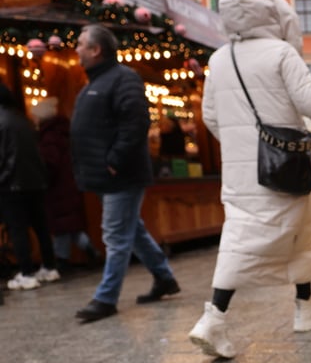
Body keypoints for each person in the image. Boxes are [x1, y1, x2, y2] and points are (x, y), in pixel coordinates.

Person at [190, 0, 311, 359]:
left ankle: (306, 307)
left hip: (241, 172)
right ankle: (213, 318)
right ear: (271, 14)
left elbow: (210, 116)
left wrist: (241, 144)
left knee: (296, 232)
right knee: (244, 243)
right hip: (282, 165)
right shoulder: (280, 52)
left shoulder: (220, 58)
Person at [70, 24, 180, 323]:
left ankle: (106, 298)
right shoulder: (95, 82)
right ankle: (164, 278)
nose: (76, 49)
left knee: (116, 235)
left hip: (121, 174)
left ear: (96, 50)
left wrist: (115, 160)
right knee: (133, 230)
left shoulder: (123, 78)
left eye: (81, 44)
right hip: (105, 175)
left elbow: (135, 123)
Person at [0, 83, 60, 291]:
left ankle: (26, 273)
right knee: (40, 226)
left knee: (17, 228)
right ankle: (49, 267)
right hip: (35, 181)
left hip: (11, 183)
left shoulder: (3, 120)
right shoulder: (22, 120)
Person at [31, 96, 100, 273]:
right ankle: (87, 249)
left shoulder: (48, 137)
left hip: (57, 188)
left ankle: (63, 260)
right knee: (69, 225)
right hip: (68, 184)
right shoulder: (62, 132)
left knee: (61, 226)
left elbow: (50, 163)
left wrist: (40, 176)